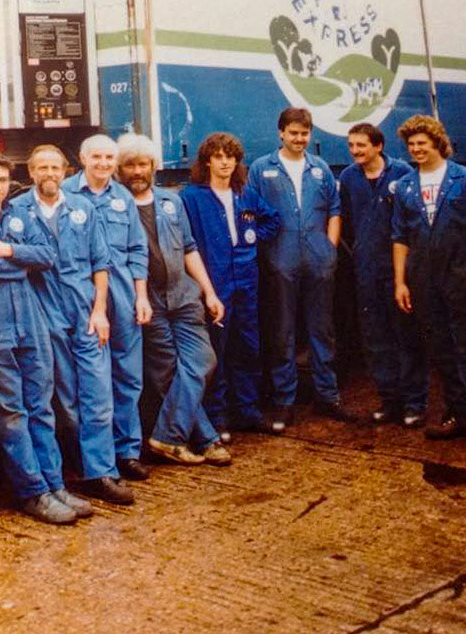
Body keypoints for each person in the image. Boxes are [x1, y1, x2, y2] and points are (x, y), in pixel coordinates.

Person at [0, 151, 91, 524]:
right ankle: (32, 492)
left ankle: (55, 485)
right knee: (11, 412)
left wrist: (10, 251)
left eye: (3, 179)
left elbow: (48, 254)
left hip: (30, 322)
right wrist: (21, 265)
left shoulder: (18, 213)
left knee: (41, 406)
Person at [12, 145, 134, 505]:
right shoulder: (18, 212)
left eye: (55, 167)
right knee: (65, 399)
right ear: (31, 172)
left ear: (66, 171)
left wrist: (100, 311)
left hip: (85, 313)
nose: (49, 174)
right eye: (42, 168)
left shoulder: (83, 209)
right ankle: (77, 469)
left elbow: (101, 263)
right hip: (46, 315)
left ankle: (101, 472)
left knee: (98, 394)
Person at [114, 133, 231, 466]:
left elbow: (190, 248)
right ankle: (206, 439)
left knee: (203, 361)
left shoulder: (171, 201)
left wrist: (208, 291)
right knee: (168, 372)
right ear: (121, 169)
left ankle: (167, 437)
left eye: (143, 164)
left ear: (153, 166)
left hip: (184, 296)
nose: (138, 171)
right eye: (130, 165)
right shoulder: (117, 206)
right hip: (148, 301)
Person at [391, 115, 466, 461]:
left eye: (422, 142)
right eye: (411, 145)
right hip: (424, 281)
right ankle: (459, 414)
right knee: (441, 350)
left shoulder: (465, 180)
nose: (416, 149)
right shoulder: (407, 185)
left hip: (463, 277)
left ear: (438, 142)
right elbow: (400, 237)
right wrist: (400, 281)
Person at [247, 107, 345, 432]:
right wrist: (265, 250)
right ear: (281, 133)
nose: (299, 139)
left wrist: (330, 246)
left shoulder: (320, 169)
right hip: (281, 258)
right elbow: (251, 212)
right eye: (293, 133)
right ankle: (284, 401)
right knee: (282, 332)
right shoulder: (262, 168)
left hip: (319, 257)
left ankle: (327, 397)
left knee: (323, 329)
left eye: (304, 133)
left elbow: (334, 207)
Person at [62, 135, 152, 481]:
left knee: (128, 375)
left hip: (122, 291)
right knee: (90, 380)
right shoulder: (68, 194)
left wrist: (140, 296)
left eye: (109, 158)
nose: (103, 163)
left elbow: (136, 250)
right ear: (82, 157)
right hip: (84, 292)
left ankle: (127, 451)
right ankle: (89, 457)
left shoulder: (122, 198)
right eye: (96, 156)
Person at [181, 132, 280, 442]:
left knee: (248, 345)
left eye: (230, 157)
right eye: (219, 157)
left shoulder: (245, 193)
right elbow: (186, 242)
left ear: (237, 162)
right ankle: (218, 416)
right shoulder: (192, 198)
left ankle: (247, 412)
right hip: (216, 280)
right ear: (208, 160)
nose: (225, 162)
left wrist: (252, 240)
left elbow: (272, 220)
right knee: (218, 349)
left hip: (246, 280)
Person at [339, 123, 427, 427]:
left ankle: (414, 403)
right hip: (366, 270)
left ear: (378, 146)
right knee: (376, 338)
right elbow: (346, 223)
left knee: (406, 335)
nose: (354, 151)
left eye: (361, 145)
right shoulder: (349, 177)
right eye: (351, 145)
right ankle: (390, 400)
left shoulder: (403, 173)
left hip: (398, 270)